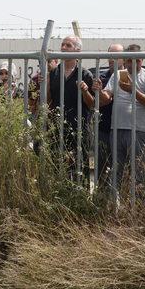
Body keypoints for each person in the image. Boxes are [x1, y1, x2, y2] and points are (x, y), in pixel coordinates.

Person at [95, 44, 145, 200]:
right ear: (125, 60)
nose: (132, 64)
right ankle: (114, 207)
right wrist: (99, 90)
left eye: (136, 61)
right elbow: (106, 98)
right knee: (116, 170)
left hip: (139, 130)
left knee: (140, 170)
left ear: (141, 60)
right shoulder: (117, 74)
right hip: (116, 129)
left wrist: (133, 90)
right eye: (129, 60)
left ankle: (143, 207)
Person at [48, 36, 95, 185]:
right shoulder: (54, 73)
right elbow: (48, 100)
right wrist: (44, 85)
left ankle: (81, 199)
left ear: (78, 50)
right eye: (62, 44)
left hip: (79, 130)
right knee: (57, 167)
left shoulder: (85, 74)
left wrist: (85, 91)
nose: (63, 47)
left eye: (68, 45)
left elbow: (92, 104)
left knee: (80, 168)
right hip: (57, 129)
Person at [93, 43, 124, 208]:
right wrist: (97, 90)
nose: (112, 59)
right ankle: (103, 207)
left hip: (124, 130)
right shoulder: (101, 77)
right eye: (110, 55)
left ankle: (126, 207)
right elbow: (97, 103)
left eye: (116, 56)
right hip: (104, 129)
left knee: (124, 170)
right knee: (103, 169)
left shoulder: (128, 75)